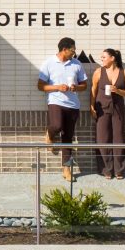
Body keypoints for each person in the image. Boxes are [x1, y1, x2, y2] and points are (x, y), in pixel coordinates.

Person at [36, 36, 88, 181]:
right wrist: (57, 87)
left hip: (73, 105)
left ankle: (66, 169)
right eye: (72, 50)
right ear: (64, 49)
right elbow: (41, 86)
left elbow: (84, 85)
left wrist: (75, 87)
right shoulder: (49, 63)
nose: (74, 52)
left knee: (68, 137)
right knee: (56, 125)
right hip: (55, 101)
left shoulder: (76, 64)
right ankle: (50, 134)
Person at [90, 47, 125, 179]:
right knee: (102, 138)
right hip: (102, 109)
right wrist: (91, 107)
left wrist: (118, 91)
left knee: (119, 138)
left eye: (103, 57)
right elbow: (93, 90)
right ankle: (106, 169)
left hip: (118, 109)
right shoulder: (98, 72)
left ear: (112, 58)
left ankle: (119, 169)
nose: (101, 59)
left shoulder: (124, 72)